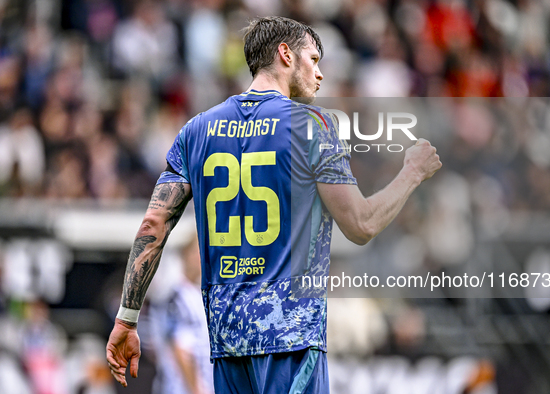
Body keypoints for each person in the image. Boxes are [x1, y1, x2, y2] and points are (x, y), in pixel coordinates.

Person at [106, 16, 441, 393]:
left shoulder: (197, 130)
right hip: (290, 340)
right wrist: (411, 173)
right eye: (313, 59)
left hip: (227, 344)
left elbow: (153, 224)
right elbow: (360, 224)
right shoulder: (313, 125)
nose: (320, 74)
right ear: (285, 54)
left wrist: (127, 319)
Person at [148, 236, 213, 394]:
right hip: (180, 388)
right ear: (186, 255)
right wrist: (196, 389)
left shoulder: (198, 293)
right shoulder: (175, 296)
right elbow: (181, 347)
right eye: (200, 252)